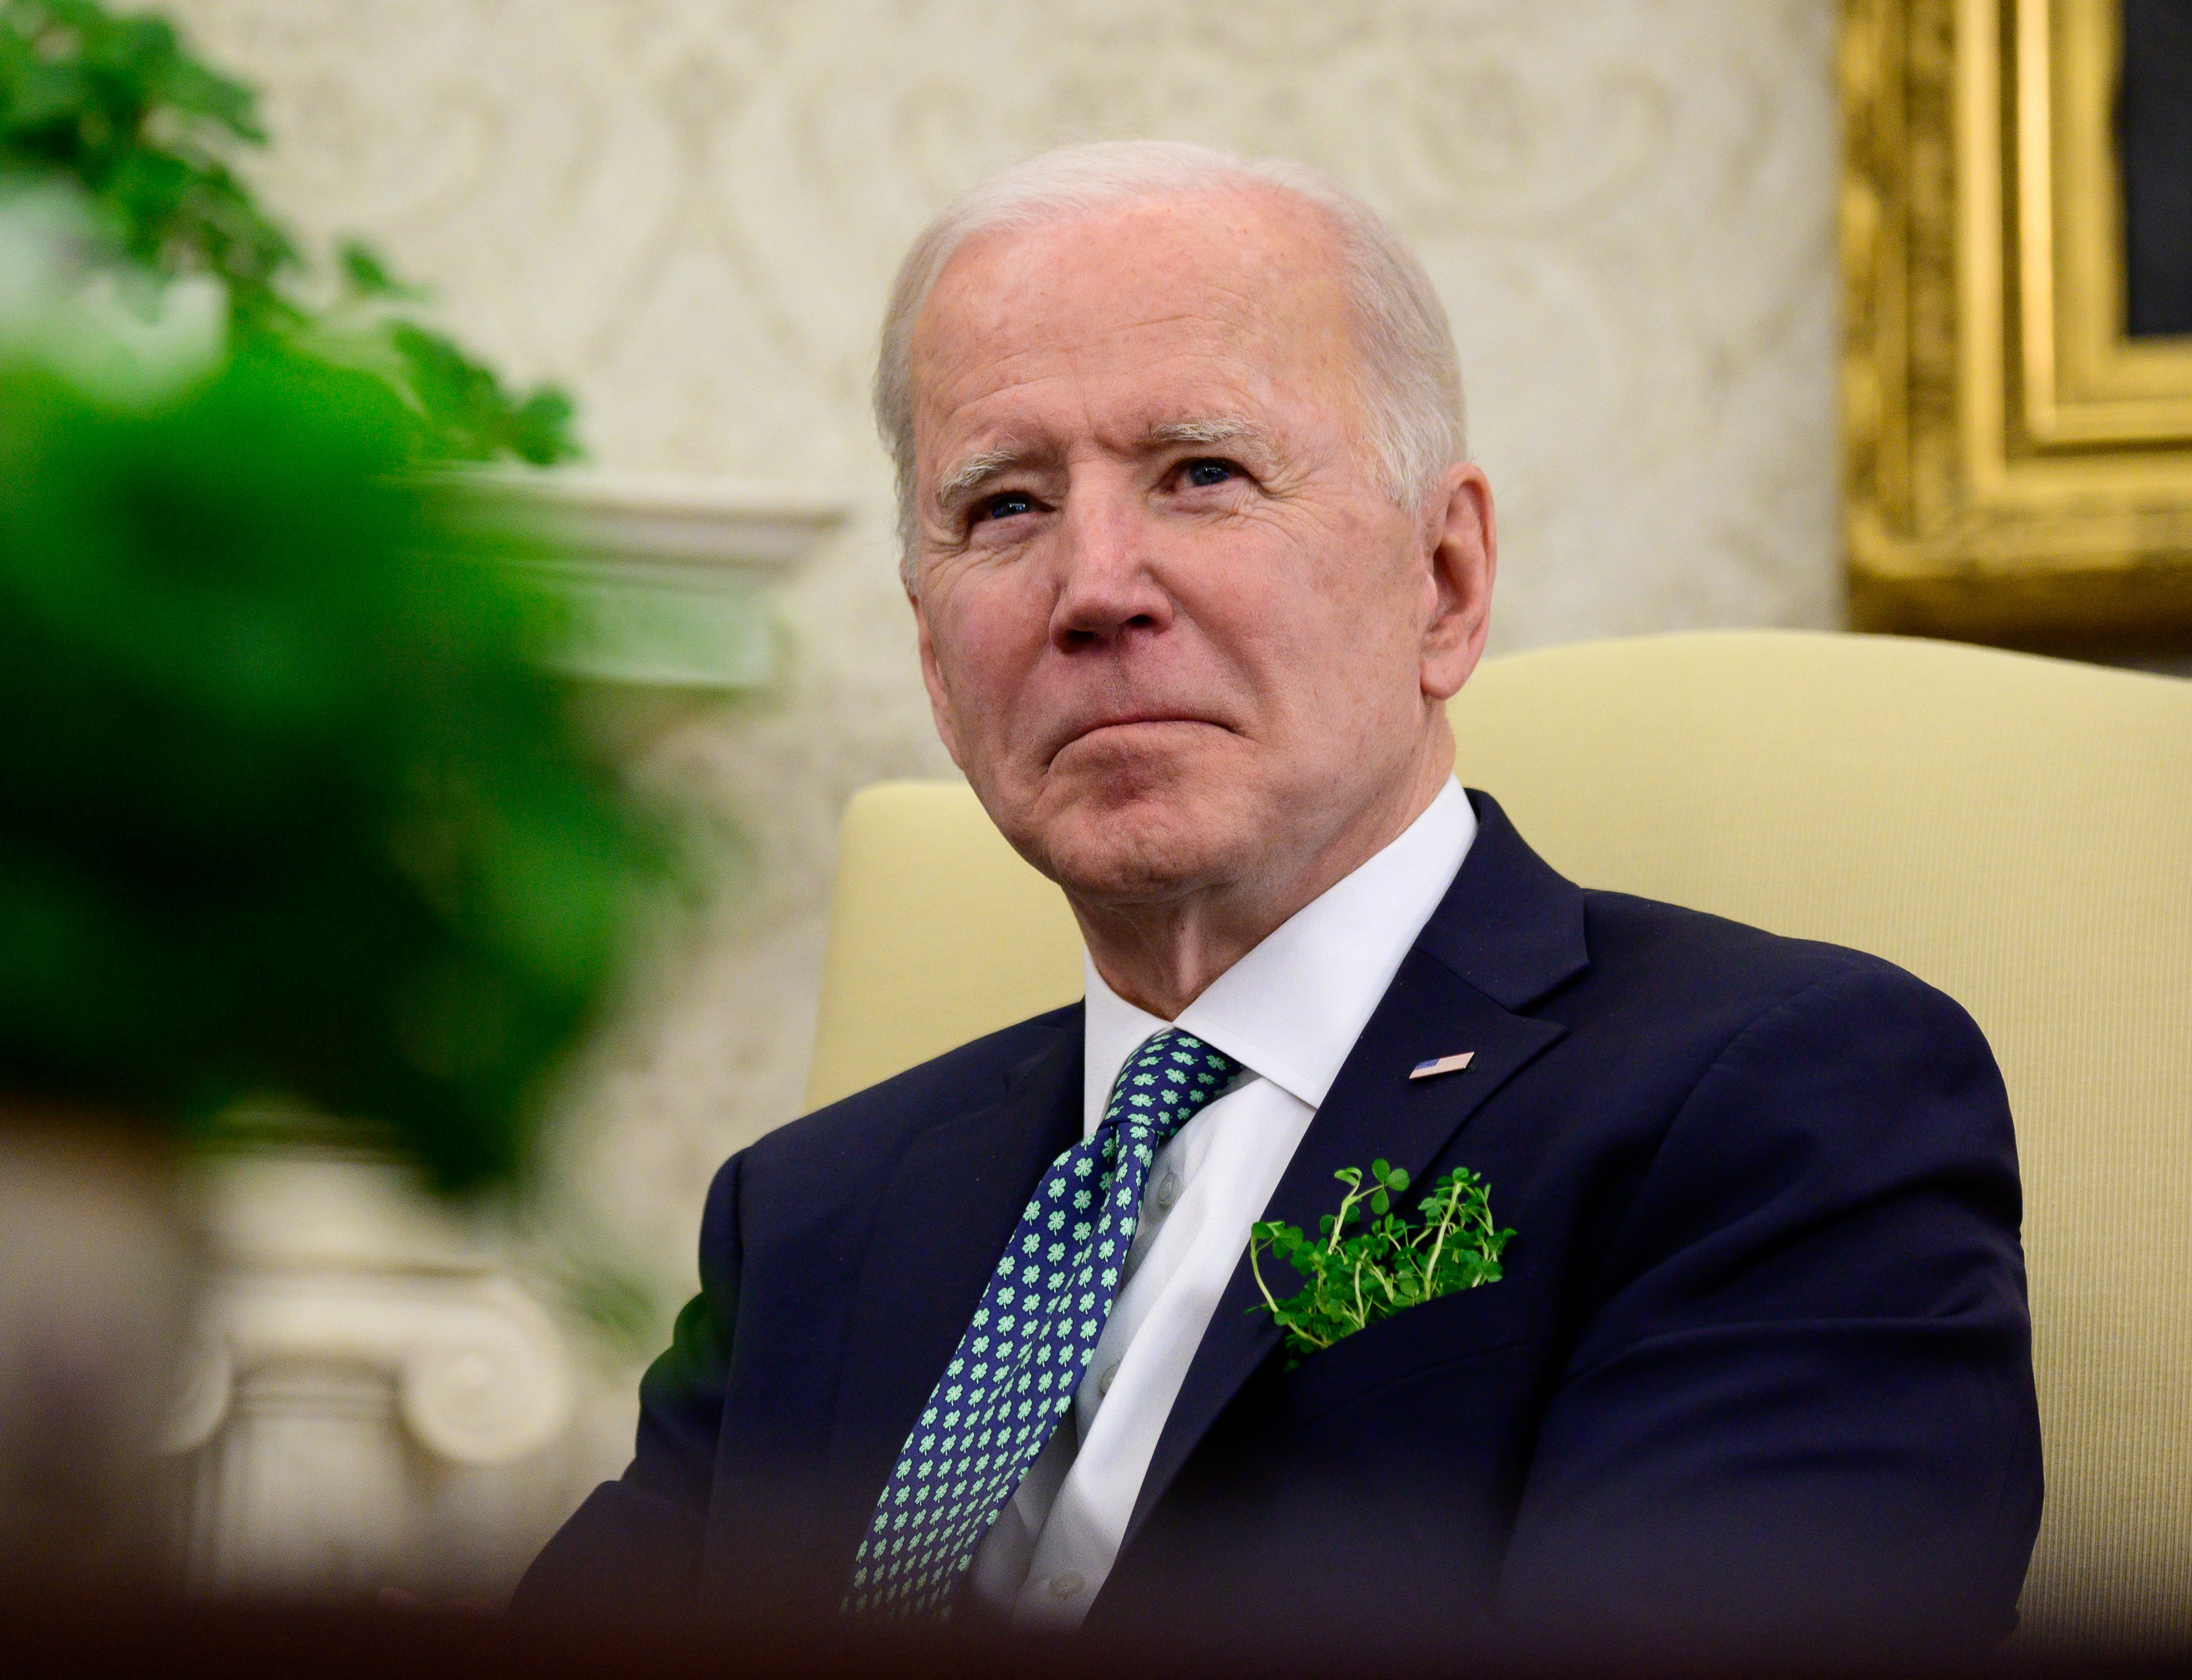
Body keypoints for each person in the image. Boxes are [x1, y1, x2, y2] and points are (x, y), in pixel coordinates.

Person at [514, 140, 2040, 1657]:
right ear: (932, 655)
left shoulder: (1772, 1100)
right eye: (1003, 507)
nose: (1095, 585)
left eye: (1203, 474)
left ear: (1443, 582)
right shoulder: (814, 1216)